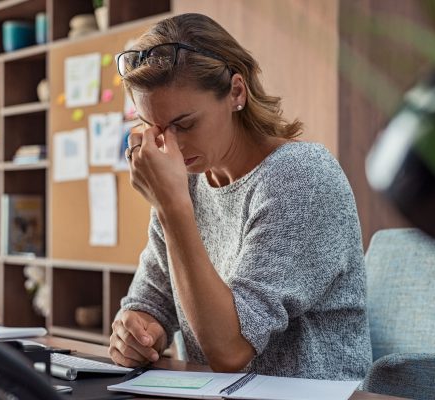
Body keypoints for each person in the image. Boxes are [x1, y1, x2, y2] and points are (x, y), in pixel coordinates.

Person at [109, 13, 371, 379]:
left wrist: (171, 207)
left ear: (236, 92)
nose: (171, 145)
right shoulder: (186, 183)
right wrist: (136, 330)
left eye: (185, 124)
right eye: (155, 128)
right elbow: (152, 299)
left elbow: (230, 350)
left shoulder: (300, 177)